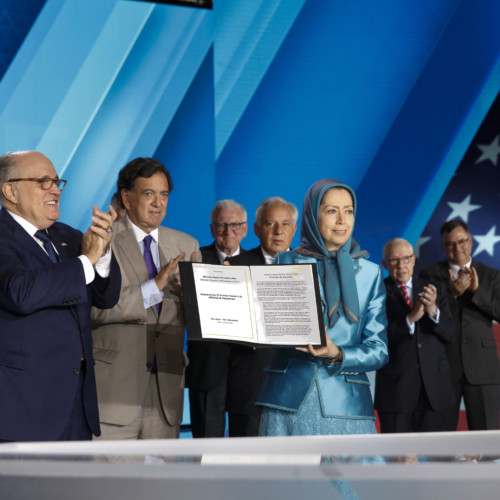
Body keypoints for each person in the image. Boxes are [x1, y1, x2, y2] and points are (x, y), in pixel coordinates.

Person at [0, 150, 121, 442]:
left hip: (76, 408)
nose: (55, 190)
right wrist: (87, 259)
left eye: (57, 182)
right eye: (43, 181)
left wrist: (102, 253)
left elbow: (105, 297)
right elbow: (21, 292)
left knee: (75, 490)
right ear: (10, 191)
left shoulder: (66, 235)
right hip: (23, 408)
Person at [256, 179, 388, 436]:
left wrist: (337, 353)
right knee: (290, 476)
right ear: (311, 215)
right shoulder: (285, 262)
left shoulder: (371, 274)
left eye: (348, 211)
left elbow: (379, 350)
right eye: (331, 211)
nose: (342, 220)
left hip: (347, 403)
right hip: (287, 400)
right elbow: (264, 325)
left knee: (346, 478)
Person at [91, 157, 201, 439]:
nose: (158, 203)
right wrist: (155, 285)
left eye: (163, 195)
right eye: (148, 193)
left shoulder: (187, 245)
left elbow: (199, 319)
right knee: (111, 483)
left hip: (166, 393)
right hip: (115, 392)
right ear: (127, 198)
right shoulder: (102, 238)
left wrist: (220, 293)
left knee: (160, 483)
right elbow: (95, 309)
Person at [222, 197, 298, 436]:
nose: (278, 231)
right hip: (250, 390)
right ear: (256, 229)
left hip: (298, 388)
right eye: (270, 223)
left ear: (294, 229)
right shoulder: (234, 267)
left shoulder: (312, 266)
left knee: (296, 470)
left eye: (286, 224)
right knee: (248, 469)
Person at [420, 219, 500, 430]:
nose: (457, 248)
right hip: (444, 365)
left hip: (483, 367)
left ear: (470, 241)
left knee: (487, 442)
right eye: (450, 244)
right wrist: (452, 294)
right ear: (442, 246)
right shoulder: (429, 275)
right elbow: (424, 320)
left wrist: (476, 292)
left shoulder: (491, 275)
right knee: (442, 443)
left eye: (461, 241)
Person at [374, 238, 456, 433]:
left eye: (405, 259)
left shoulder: (434, 289)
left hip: (434, 392)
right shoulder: (376, 293)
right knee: (396, 458)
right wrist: (409, 319)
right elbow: (376, 338)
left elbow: (451, 333)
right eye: (394, 260)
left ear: (413, 259)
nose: (401, 265)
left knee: (434, 458)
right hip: (396, 392)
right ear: (385, 264)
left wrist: (433, 310)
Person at [185, 199, 249, 437]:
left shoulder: (257, 263)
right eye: (221, 225)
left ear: (244, 228)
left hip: (247, 372)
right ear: (212, 229)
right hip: (208, 367)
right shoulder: (195, 258)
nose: (228, 231)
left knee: (249, 452)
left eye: (234, 225)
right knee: (207, 450)